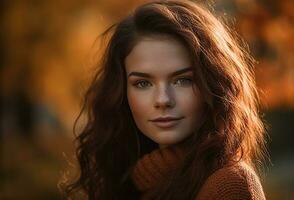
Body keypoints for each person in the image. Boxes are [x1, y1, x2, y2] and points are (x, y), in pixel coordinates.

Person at [62, 0, 268, 199]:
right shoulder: (130, 182)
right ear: (122, 93)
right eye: (143, 83)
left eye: (183, 80)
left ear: (214, 86)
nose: (162, 99)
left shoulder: (228, 186)